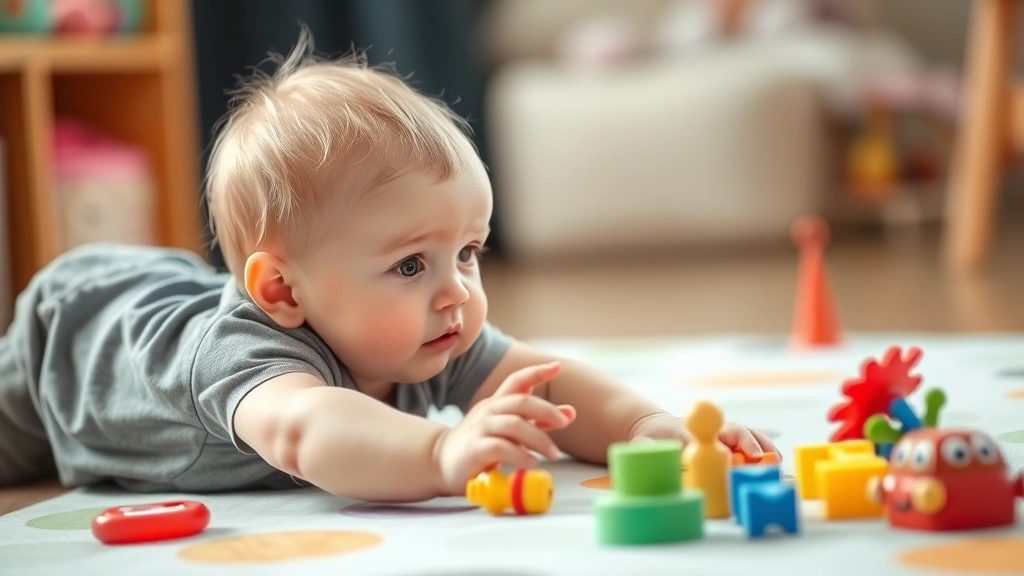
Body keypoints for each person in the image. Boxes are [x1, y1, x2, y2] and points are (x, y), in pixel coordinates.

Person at [0, 29, 776, 501]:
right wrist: (442, 454)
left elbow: (545, 379)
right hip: (66, 352)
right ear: (283, 292)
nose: (457, 294)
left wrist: (650, 427)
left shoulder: (419, 329)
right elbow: (310, 432)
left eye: (468, 253)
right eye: (411, 265)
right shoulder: (250, 359)